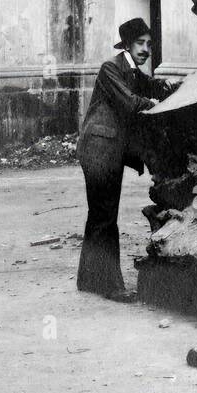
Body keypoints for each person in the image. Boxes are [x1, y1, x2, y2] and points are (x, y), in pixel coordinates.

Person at [76, 18, 168, 302]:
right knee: (105, 216)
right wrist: (153, 104)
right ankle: (112, 286)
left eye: (149, 45)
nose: (146, 50)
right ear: (127, 45)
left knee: (98, 215)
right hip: (99, 149)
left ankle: (89, 280)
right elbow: (130, 103)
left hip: (105, 149)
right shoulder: (111, 68)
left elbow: (152, 85)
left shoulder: (130, 70)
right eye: (140, 44)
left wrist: (176, 87)